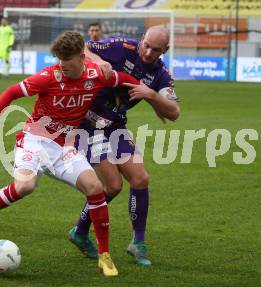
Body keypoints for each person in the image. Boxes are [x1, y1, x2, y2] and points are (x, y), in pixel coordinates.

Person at [0, 31, 140, 277]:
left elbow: (125, 79)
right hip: (35, 140)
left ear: (82, 57)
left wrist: (147, 91)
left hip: (64, 147)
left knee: (95, 187)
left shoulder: (96, 75)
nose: (61, 65)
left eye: (67, 60)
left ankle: (104, 255)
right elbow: (11, 93)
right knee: (25, 186)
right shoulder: (48, 77)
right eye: (59, 59)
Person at [68, 25, 180, 266]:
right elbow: (83, 48)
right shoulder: (122, 47)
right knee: (113, 185)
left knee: (141, 179)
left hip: (115, 125)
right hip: (87, 123)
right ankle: (79, 231)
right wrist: (100, 62)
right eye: (146, 45)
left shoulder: (161, 74)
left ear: (165, 50)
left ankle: (137, 243)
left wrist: (151, 94)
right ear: (141, 39)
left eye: (156, 49)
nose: (148, 52)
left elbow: (174, 112)